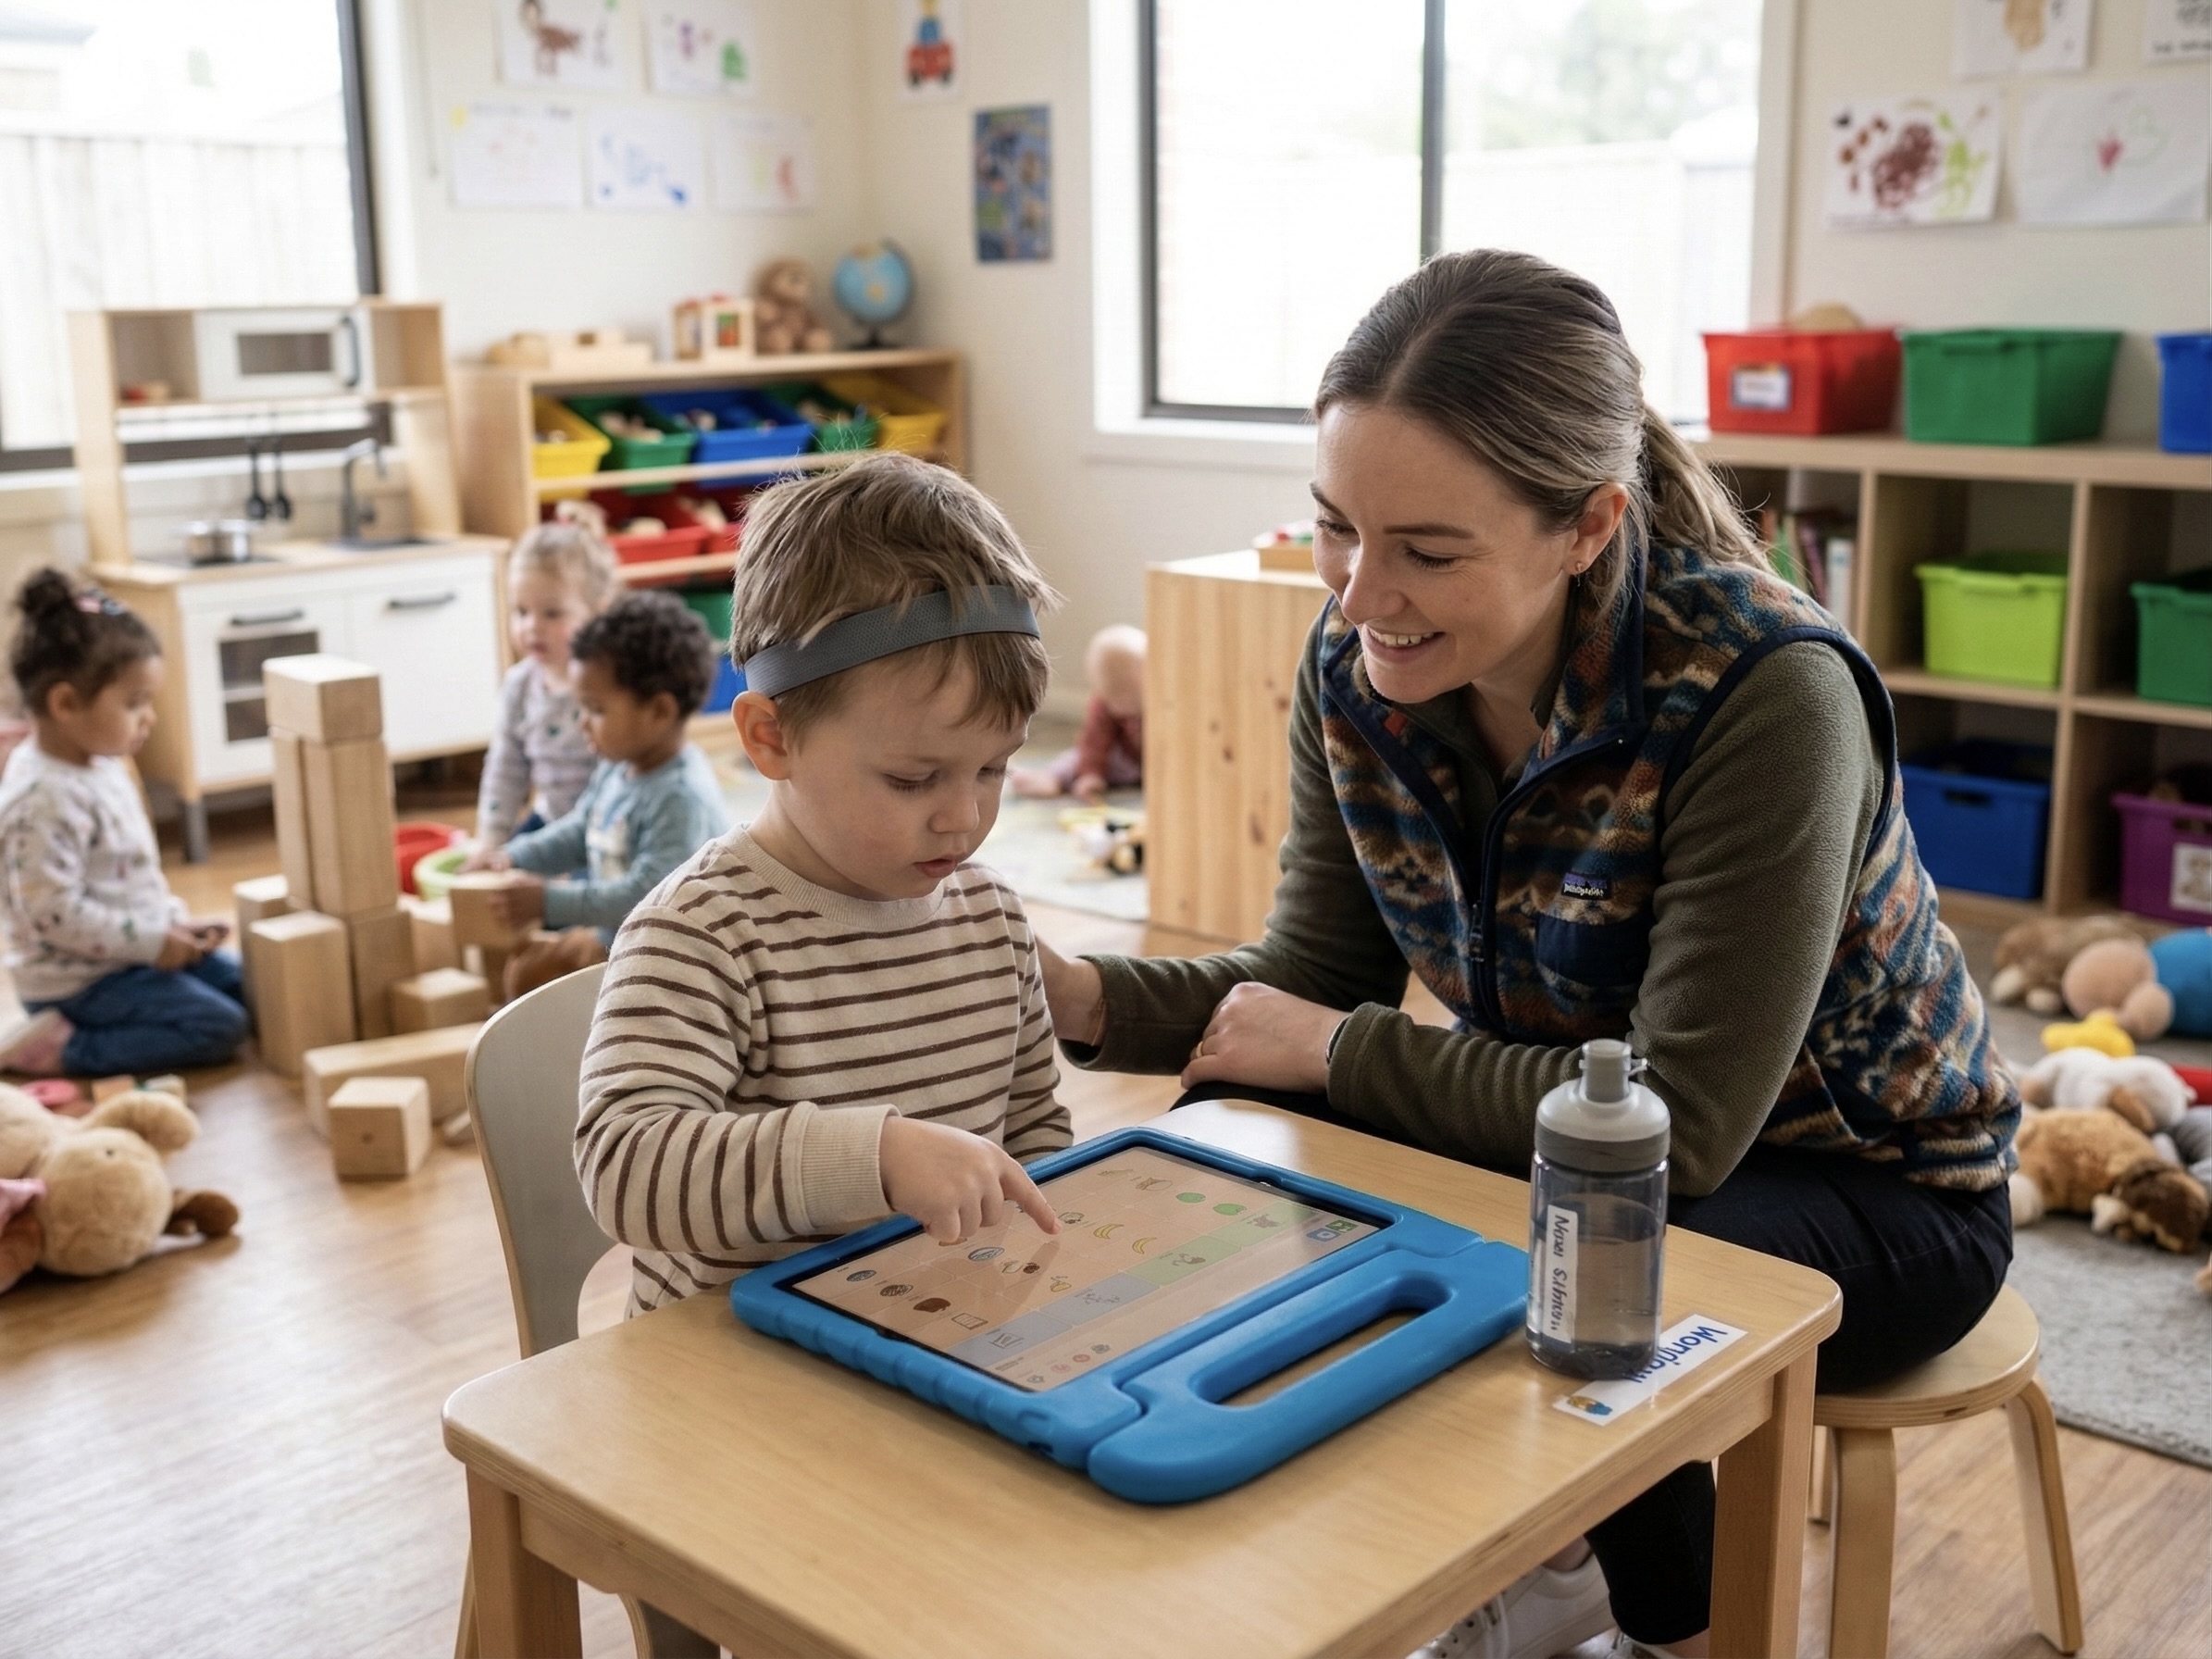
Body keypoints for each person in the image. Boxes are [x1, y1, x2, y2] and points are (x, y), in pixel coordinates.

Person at [1037, 251, 2017, 1659]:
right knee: (1240, 1135)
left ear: (1585, 526)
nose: (1362, 593)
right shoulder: (1360, 664)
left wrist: (1335, 1052)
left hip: (1870, 1193)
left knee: (1586, 1243)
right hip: (1591, 1145)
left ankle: (1661, 1622)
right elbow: (1307, 978)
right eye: (1334, 528)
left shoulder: (1766, 691)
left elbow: (1679, 1126)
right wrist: (1076, 991)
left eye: (1426, 551)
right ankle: (1403, 1541)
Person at [574, 453, 1071, 1316]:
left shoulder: (989, 916)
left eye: (993, 768)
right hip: (742, 1382)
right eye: (914, 780)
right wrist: (869, 1159)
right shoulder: (703, 933)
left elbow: (1034, 1135)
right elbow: (625, 1165)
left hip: (943, 1339)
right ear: (771, 738)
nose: (964, 817)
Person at [0, 570, 248, 1078]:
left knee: (254, 988)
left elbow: (123, 874)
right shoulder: (40, 799)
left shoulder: (100, 760)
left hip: (128, 953)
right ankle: (58, 1050)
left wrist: (172, 922)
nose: (149, 718)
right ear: (65, 703)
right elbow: (53, 913)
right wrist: (154, 943)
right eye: (134, 703)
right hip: (80, 984)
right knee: (218, 1027)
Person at [466, 591, 731, 998]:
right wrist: (513, 856)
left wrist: (548, 902)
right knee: (526, 977)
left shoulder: (680, 796)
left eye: (596, 709)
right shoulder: (617, 764)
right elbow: (578, 829)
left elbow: (643, 894)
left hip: (670, 967)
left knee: (542, 991)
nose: (582, 724)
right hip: (617, 942)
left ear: (659, 711)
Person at [476, 514, 619, 846]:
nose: (532, 627)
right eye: (521, 612)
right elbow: (505, 768)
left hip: (606, 826)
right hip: (551, 821)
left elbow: (623, 775)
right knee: (500, 877)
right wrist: (490, 840)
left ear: (597, 612)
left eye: (552, 614)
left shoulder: (611, 684)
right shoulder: (519, 685)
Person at [1011, 623, 1145, 804]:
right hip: (1123, 764)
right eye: (1113, 698)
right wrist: (1091, 775)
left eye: (1129, 697)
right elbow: (1095, 741)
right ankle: (1052, 778)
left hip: (1159, 766)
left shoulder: (1164, 705)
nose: (1122, 707)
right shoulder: (1103, 706)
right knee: (1076, 757)